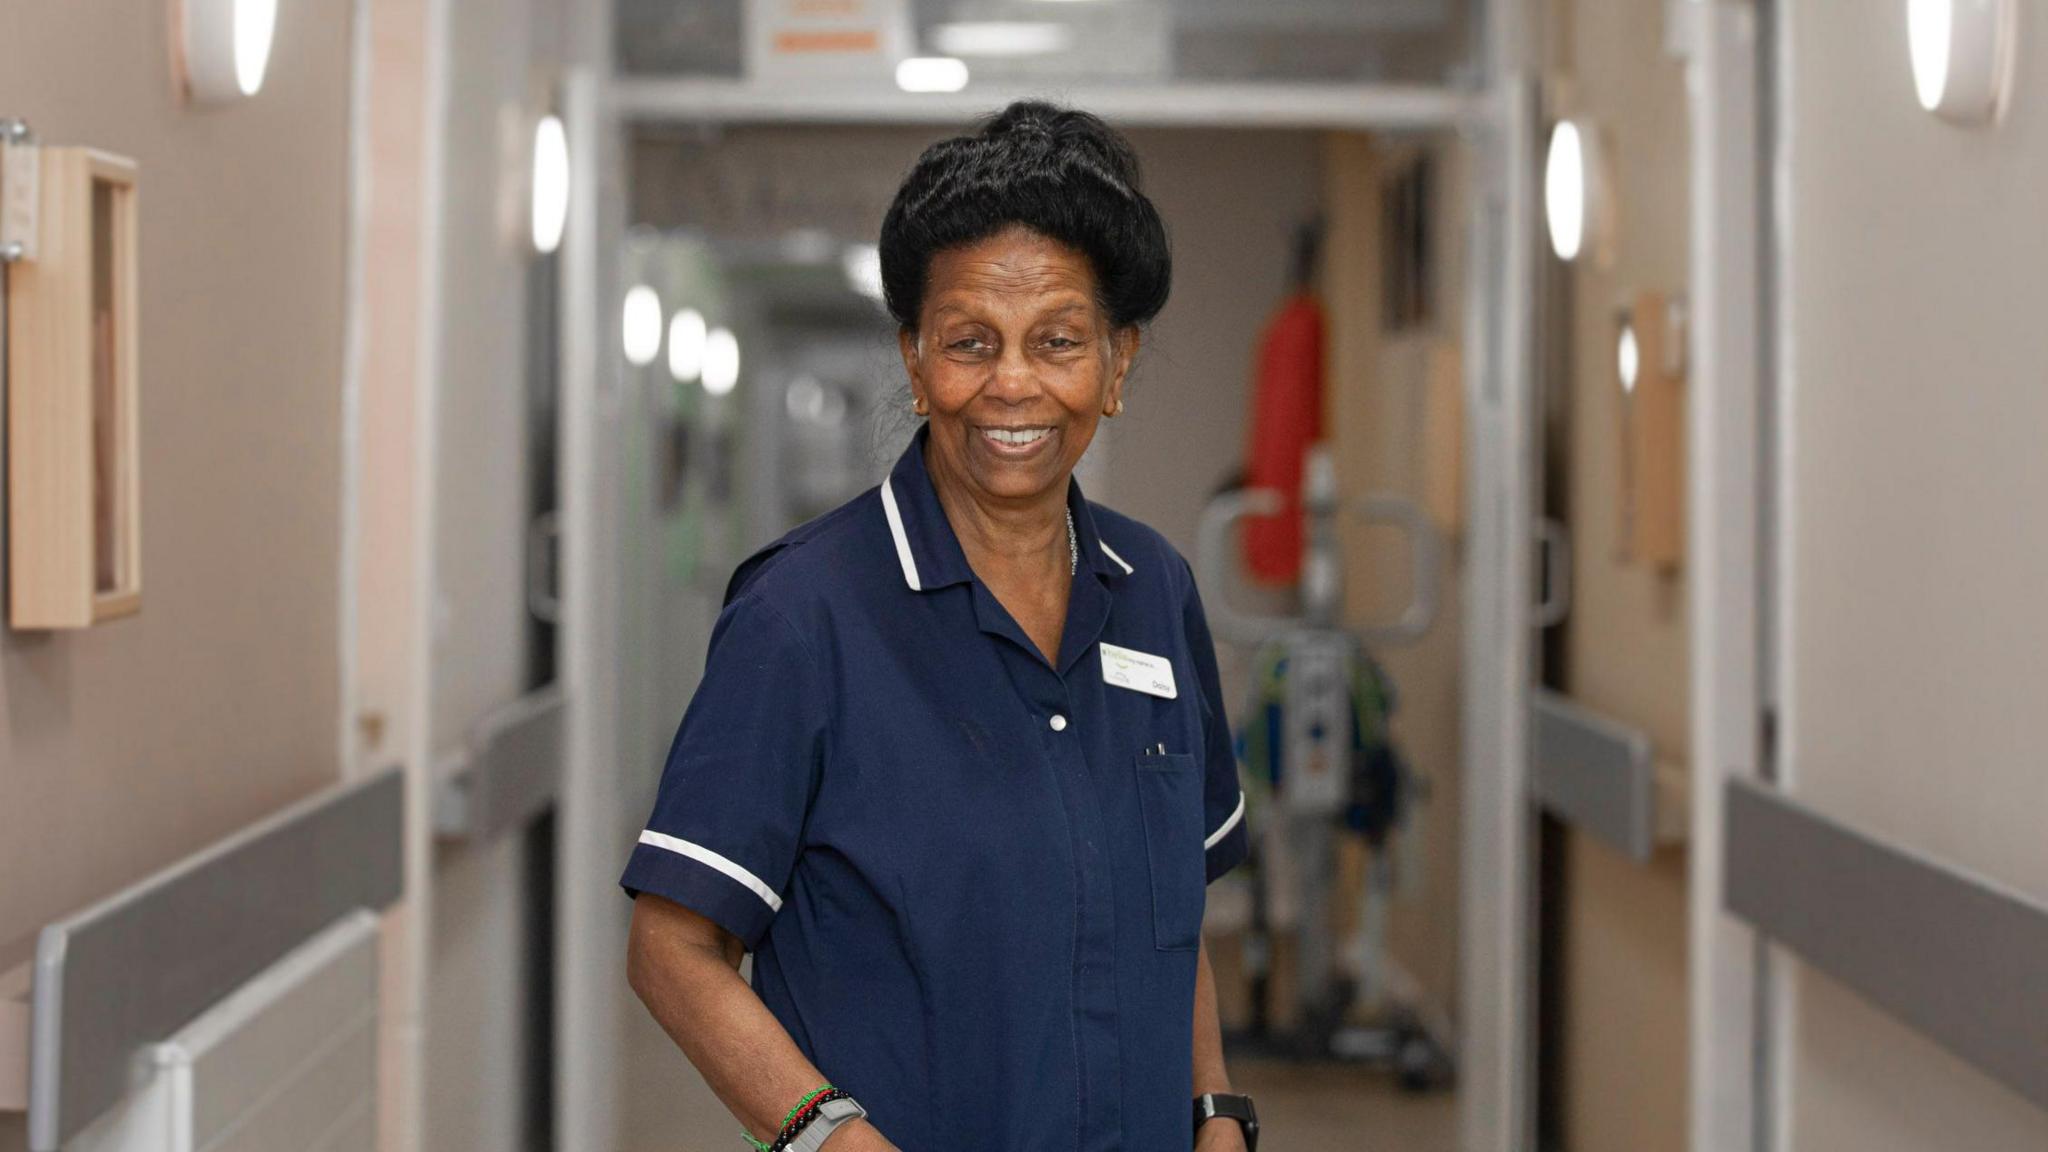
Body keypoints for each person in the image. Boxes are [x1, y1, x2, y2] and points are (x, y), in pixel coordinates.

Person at [622, 100, 1256, 1152]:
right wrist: (828, 1134)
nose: (1012, 384)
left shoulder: (1154, 588)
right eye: (970, 342)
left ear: (1116, 363)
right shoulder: (802, 615)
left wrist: (1214, 1108)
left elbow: (1169, 909)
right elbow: (671, 947)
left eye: (1056, 340)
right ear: (915, 363)